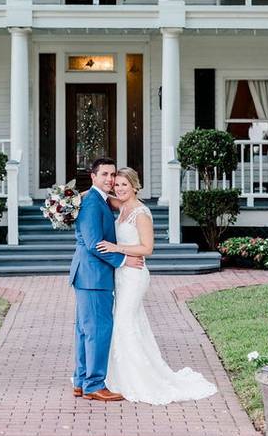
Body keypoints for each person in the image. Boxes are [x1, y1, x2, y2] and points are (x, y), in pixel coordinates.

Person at [95, 167, 218, 405]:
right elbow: (99, 196)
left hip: (135, 275)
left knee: (124, 322)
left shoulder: (141, 212)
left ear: (134, 186)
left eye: (124, 185)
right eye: (117, 184)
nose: (119, 188)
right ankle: (117, 377)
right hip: (121, 274)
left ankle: (138, 380)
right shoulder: (121, 208)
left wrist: (116, 248)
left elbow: (147, 249)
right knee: (129, 322)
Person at [68, 157, 145, 402]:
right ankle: (94, 385)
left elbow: (120, 201)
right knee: (98, 330)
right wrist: (124, 261)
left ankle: (81, 381)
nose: (110, 180)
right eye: (105, 175)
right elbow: (93, 244)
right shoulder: (92, 202)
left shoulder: (96, 199)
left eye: (112, 175)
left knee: (85, 330)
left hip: (88, 275)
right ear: (93, 176)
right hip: (93, 276)